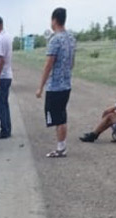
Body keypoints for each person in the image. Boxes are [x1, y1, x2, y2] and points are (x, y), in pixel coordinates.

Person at [37, 7, 76, 158]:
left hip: (55, 86)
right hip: (66, 84)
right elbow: (72, 63)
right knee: (62, 115)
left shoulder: (55, 40)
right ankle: (61, 145)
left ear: (54, 20)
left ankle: (61, 148)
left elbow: (48, 65)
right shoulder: (71, 38)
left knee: (57, 118)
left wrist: (40, 86)